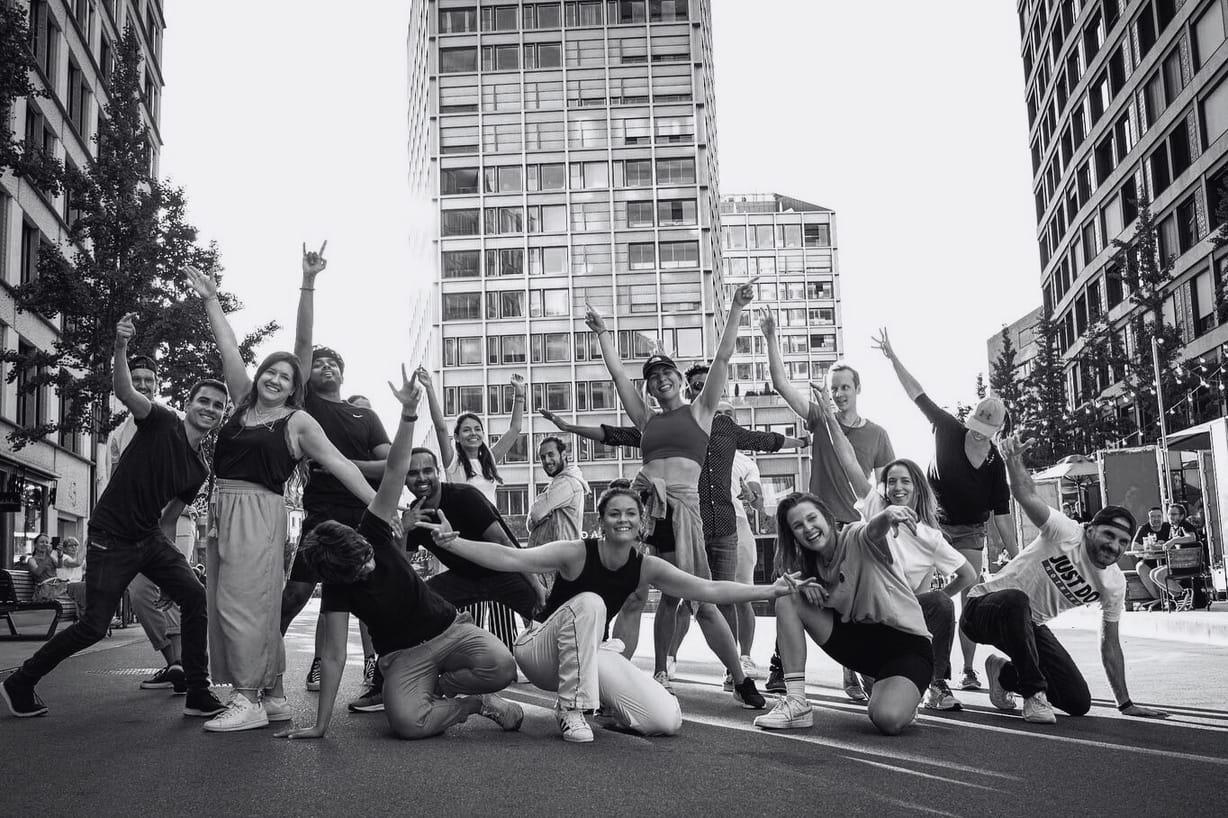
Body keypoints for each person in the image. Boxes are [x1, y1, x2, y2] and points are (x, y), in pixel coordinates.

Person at [419, 486, 815, 743]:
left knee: (665, 722)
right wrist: (456, 544)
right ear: (602, 522)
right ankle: (571, 708)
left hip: (591, 654)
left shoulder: (646, 566)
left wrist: (771, 589)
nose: (623, 519)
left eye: (630, 513)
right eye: (614, 514)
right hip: (539, 653)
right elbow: (510, 557)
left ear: (642, 523)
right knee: (590, 602)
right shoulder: (576, 552)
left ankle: (605, 707)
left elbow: (707, 589)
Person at [276, 367, 524, 741]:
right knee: (407, 724)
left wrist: (409, 414)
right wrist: (320, 725)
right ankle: (475, 705)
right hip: (403, 656)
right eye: (359, 569)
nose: (369, 565)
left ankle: (441, 686)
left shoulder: (373, 530)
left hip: (450, 630)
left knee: (502, 667)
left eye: (365, 556)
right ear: (339, 576)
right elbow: (334, 655)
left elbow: (394, 470)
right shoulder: (338, 588)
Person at [2, 315, 229, 720]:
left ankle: (198, 690)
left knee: (195, 595)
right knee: (92, 626)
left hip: (149, 539)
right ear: (190, 404)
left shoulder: (199, 470)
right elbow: (125, 390)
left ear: (221, 415)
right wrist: (120, 346)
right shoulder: (160, 421)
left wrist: (170, 567)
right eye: (203, 401)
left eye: (218, 406)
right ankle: (20, 681)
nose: (209, 409)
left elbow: (169, 520)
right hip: (111, 535)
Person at [185, 265, 378, 732]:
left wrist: (382, 507)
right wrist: (211, 300)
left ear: (296, 388)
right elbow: (229, 346)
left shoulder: (297, 422)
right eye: (271, 372)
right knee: (238, 603)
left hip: (260, 512)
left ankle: (247, 698)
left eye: (287, 377)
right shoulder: (240, 403)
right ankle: (272, 695)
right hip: (223, 510)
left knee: (244, 605)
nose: (276, 379)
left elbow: (343, 465)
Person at [582, 281, 768, 709]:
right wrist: (603, 333)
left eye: (666, 373)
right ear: (648, 389)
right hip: (646, 512)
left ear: (681, 381)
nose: (659, 379)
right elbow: (615, 374)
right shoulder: (645, 420)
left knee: (701, 602)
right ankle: (620, 683)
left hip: (683, 511)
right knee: (632, 596)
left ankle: (740, 678)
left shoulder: (701, 412)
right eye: (652, 377)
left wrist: (737, 308)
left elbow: (722, 357)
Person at [542, 384, 805, 686]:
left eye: (708, 387)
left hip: (722, 528)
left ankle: (736, 673)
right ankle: (662, 667)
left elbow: (767, 440)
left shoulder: (726, 431)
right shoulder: (671, 428)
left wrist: (804, 440)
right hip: (682, 524)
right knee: (671, 597)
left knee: (719, 600)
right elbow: (615, 434)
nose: (705, 394)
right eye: (696, 386)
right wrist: (568, 426)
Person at [959, 434, 1168, 724]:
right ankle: (1034, 697)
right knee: (1017, 600)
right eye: (1109, 535)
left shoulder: (1114, 583)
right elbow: (1026, 494)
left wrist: (1125, 703)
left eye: (1122, 542)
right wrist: (1012, 460)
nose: (1114, 546)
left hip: (1026, 626)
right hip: (982, 610)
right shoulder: (1067, 532)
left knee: (1076, 701)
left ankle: (1003, 674)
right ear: (1091, 529)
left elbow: (1110, 644)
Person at [873, 328, 1020, 692]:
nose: (975, 435)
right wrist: (893, 358)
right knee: (922, 592)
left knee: (969, 591)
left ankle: (968, 669)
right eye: (974, 427)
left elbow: (1002, 515)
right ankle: (922, 662)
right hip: (929, 522)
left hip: (969, 529)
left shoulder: (994, 464)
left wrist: (1016, 558)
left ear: (996, 433)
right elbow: (916, 394)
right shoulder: (949, 428)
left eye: (985, 432)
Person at [280, 243, 392, 713]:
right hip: (320, 515)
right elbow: (301, 348)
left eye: (333, 364)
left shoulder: (364, 416)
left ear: (344, 373)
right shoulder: (312, 406)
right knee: (301, 590)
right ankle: (265, 654)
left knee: (369, 598)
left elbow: (389, 465)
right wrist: (309, 283)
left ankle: (375, 674)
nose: (324, 368)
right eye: (319, 365)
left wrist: (341, 463)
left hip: (364, 514)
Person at [762, 309, 895, 700]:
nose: (838, 394)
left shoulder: (877, 434)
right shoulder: (819, 419)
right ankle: (779, 669)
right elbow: (781, 384)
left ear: (857, 389)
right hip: (814, 524)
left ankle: (859, 670)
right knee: (796, 587)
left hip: (853, 530)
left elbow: (885, 488)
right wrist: (771, 336)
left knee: (853, 600)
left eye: (844, 388)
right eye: (833, 388)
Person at [752, 493, 933, 736]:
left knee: (887, 719)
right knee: (788, 596)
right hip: (860, 646)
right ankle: (796, 703)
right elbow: (779, 588)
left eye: (812, 518)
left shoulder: (855, 537)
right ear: (793, 535)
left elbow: (872, 530)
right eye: (798, 526)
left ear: (827, 517)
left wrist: (889, 514)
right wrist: (802, 586)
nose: (808, 528)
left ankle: (902, 697)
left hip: (906, 646)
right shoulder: (807, 565)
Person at [102, 353, 199, 693]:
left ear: (156, 385)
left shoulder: (172, 420)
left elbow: (191, 472)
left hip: (176, 521)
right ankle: (174, 663)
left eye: (148, 380)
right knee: (140, 592)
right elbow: (114, 482)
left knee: (174, 591)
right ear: (125, 384)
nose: (142, 385)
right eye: (136, 379)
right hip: (133, 527)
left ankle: (185, 666)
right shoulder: (117, 435)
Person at [419, 367, 527, 653]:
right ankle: (475, 652)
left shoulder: (489, 460)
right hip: (464, 538)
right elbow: (440, 426)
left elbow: (515, 430)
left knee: (503, 591)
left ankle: (507, 651)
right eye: (466, 429)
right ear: (457, 436)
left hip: (492, 532)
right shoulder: (453, 463)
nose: (473, 433)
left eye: (477, 429)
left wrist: (519, 395)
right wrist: (430, 387)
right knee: (472, 599)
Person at [527, 436, 589, 548]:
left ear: (564, 455)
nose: (546, 461)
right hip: (550, 558)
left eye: (551, 455)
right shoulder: (555, 484)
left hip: (557, 558)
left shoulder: (566, 483)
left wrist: (539, 510)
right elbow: (529, 525)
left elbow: (536, 514)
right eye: (542, 457)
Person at [1149, 502, 1202, 605]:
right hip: (1179, 562)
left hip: (1190, 564)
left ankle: (1183, 594)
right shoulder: (1173, 528)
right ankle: (1178, 597)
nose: (1170, 517)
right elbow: (1173, 544)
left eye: (1173, 514)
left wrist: (1173, 541)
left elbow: (1191, 537)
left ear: (1182, 516)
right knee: (1152, 573)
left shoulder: (1185, 525)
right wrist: (1160, 545)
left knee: (1159, 575)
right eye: (1169, 514)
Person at [1128, 507, 1169, 602]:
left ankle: (1169, 597)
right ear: (1149, 518)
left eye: (1159, 516)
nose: (1156, 519)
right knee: (1140, 567)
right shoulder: (1144, 528)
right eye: (1153, 517)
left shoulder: (1168, 527)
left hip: (1166, 560)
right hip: (1149, 560)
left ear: (1163, 517)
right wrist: (1150, 546)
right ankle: (1158, 599)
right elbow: (1134, 547)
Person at [55, 537, 88, 616]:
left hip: (76, 588)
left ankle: (103, 616)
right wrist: (85, 546)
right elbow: (77, 563)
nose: (74, 547)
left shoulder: (80, 560)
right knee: (85, 586)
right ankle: (88, 617)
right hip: (65, 587)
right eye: (71, 545)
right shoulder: (64, 557)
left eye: (76, 545)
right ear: (65, 549)